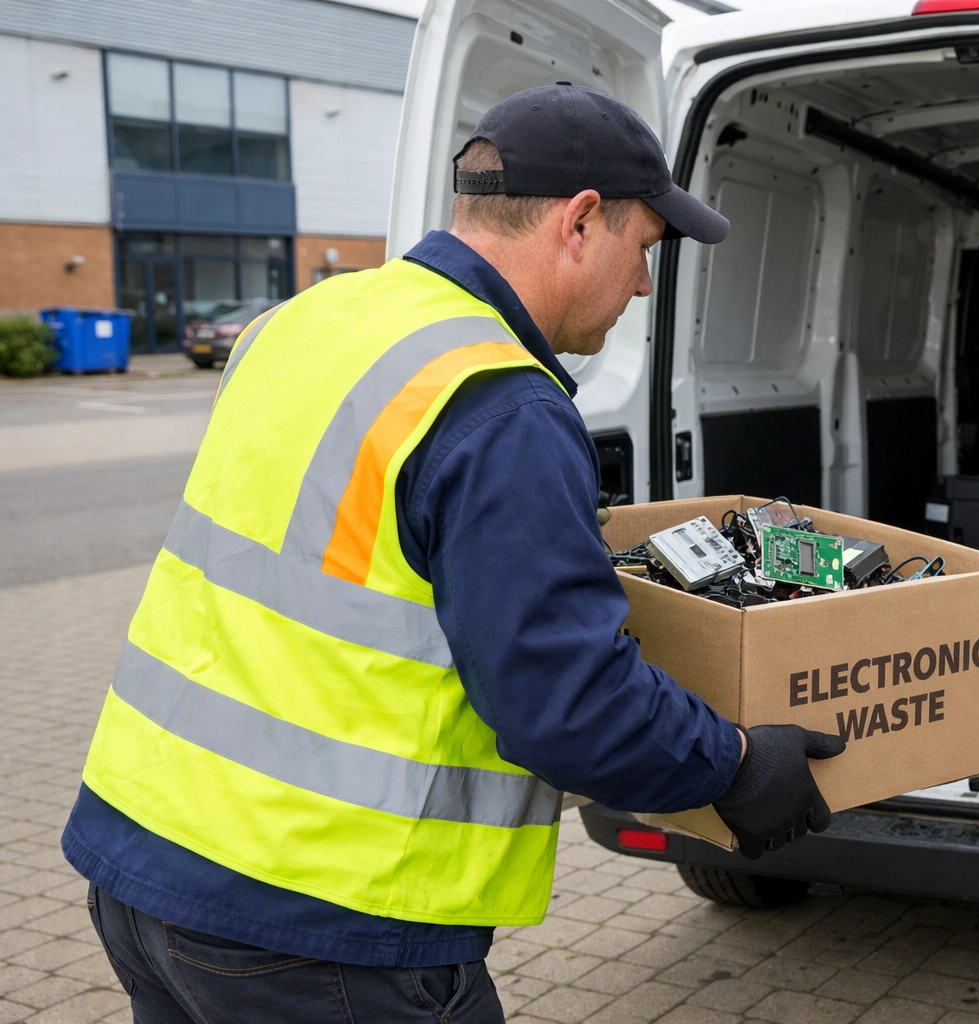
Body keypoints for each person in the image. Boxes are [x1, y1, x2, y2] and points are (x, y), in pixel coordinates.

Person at [61, 83, 844, 1022]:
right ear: (580, 222)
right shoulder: (499, 404)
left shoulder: (308, 320)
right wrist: (737, 765)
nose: (643, 285)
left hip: (144, 864)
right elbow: (567, 703)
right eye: (644, 249)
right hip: (316, 922)